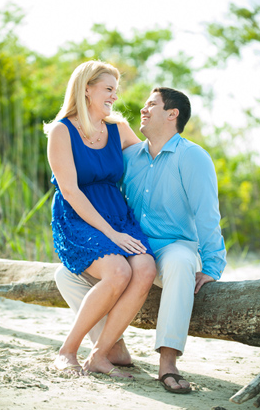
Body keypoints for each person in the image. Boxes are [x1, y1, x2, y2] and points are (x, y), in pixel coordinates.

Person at [55, 87, 226, 393]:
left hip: (175, 244)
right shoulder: (129, 156)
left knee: (179, 263)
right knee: (64, 275)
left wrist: (213, 265)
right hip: (133, 243)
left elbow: (207, 215)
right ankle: (110, 346)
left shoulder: (193, 157)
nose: (143, 110)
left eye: (152, 105)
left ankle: (168, 362)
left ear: (172, 114)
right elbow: (97, 179)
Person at [45, 60, 158, 379]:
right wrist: (111, 234)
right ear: (86, 89)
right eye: (108, 89)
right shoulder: (60, 131)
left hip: (118, 215)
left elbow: (149, 166)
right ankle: (67, 350)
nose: (114, 97)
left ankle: (99, 355)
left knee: (146, 267)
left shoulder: (118, 128)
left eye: (115, 91)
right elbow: (70, 191)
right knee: (118, 270)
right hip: (79, 218)